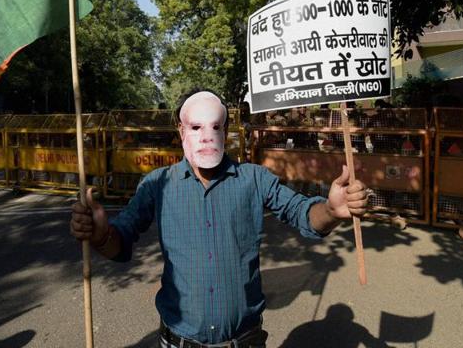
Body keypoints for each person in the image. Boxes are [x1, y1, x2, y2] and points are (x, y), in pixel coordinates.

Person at [70, 89, 368, 348]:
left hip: (245, 340)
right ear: (181, 131)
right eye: (195, 126)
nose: (206, 136)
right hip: (178, 341)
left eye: (215, 126)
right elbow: (119, 242)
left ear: (226, 130)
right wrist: (99, 234)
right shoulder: (156, 184)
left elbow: (301, 213)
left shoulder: (254, 179)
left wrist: (330, 211)